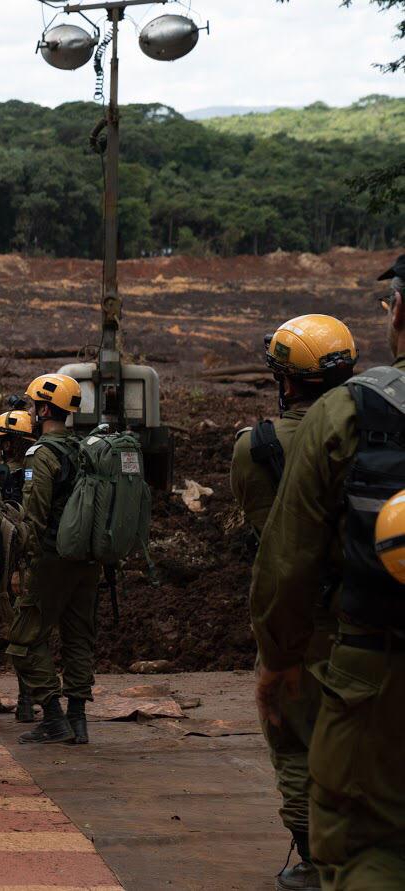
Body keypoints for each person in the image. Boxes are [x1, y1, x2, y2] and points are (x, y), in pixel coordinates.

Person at [251, 256, 405, 888]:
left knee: (370, 849)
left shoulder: (348, 414)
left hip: (375, 661)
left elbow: (287, 558)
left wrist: (278, 657)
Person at [231, 314, 358, 891]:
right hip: (366, 612)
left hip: (302, 619)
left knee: (292, 736)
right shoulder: (372, 432)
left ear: (285, 380)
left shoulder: (258, 447)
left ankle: (311, 858)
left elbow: (271, 540)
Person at [7, 373, 98, 746]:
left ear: (45, 409)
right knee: (79, 637)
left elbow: (34, 515)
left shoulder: (41, 454)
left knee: (24, 637)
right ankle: (77, 719)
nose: (28, 411)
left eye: (31, 406)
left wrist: (22, 563)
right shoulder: (86, 449)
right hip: (89, 560)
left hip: (52, 558)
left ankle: (53, 715)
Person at [0, 409, 37, 721]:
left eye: (0, 440)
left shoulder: (1, 475)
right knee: (24, 632)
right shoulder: (35, 470)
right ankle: (27, 700)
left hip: (3, 564)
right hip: (22, 565)